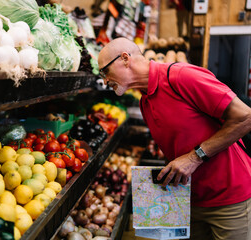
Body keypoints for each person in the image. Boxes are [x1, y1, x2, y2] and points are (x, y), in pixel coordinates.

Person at [98, 37, 251, 239]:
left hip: (229, 198)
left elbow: (245, 117)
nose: (105, 81)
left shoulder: (182, 77)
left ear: (125, 59)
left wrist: (194, 157)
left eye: (105, 72)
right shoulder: (145, 101)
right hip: (191, 200)